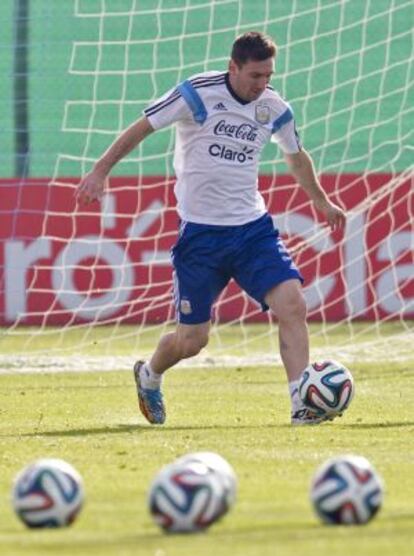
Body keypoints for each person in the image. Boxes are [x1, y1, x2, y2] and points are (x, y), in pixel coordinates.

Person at [77, 31, 346, 426]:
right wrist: (100, 172)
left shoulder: (273, 107)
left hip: (252, 230)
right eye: (255, 75)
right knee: (193, 340)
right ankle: (150, 375)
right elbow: (142, 127)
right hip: (201, 236)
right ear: (233, 67)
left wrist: (321, 200)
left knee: (292, 304)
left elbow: (296, 156)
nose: (263, 84)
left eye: (268, 75)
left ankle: (301, 404)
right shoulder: (197, 93)